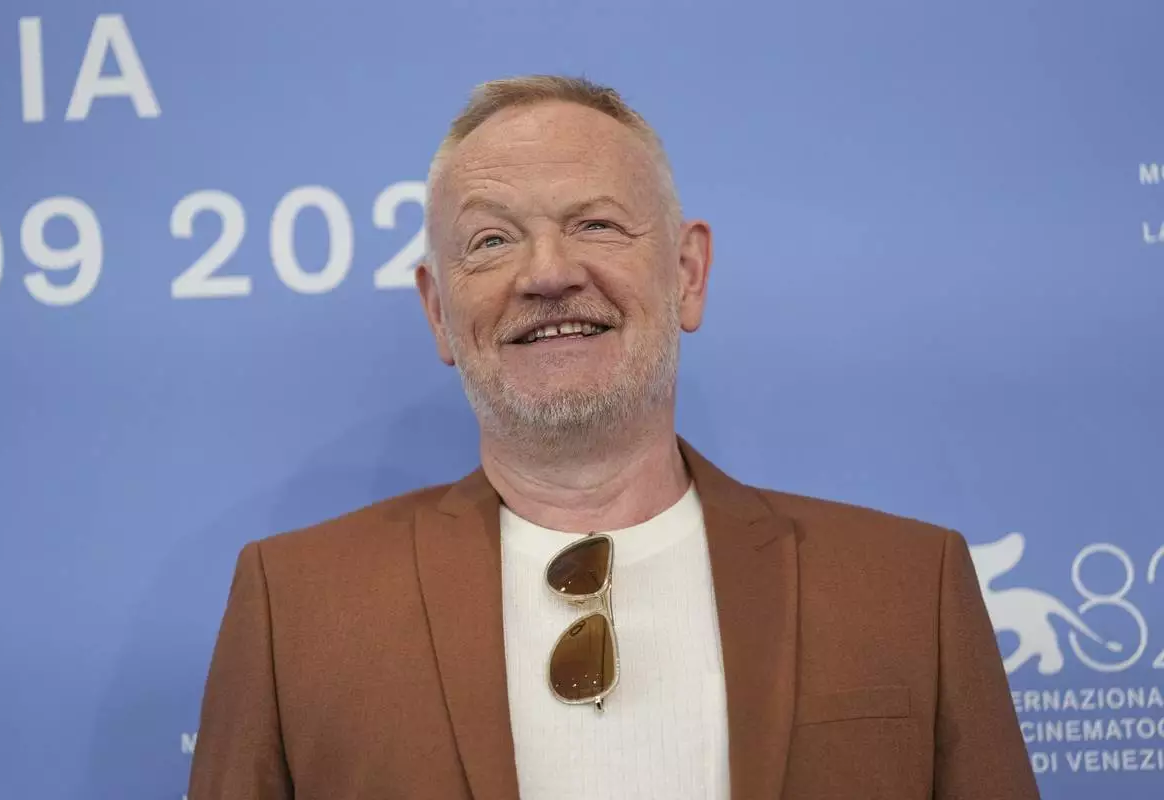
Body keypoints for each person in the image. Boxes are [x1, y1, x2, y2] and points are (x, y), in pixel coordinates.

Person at [187, 75, 1039, 800]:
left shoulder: (906, 587)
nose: (549, 273)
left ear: (687, 274)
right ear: (439, 311)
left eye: (596, 224)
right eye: (490, 240)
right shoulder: (294, 608)